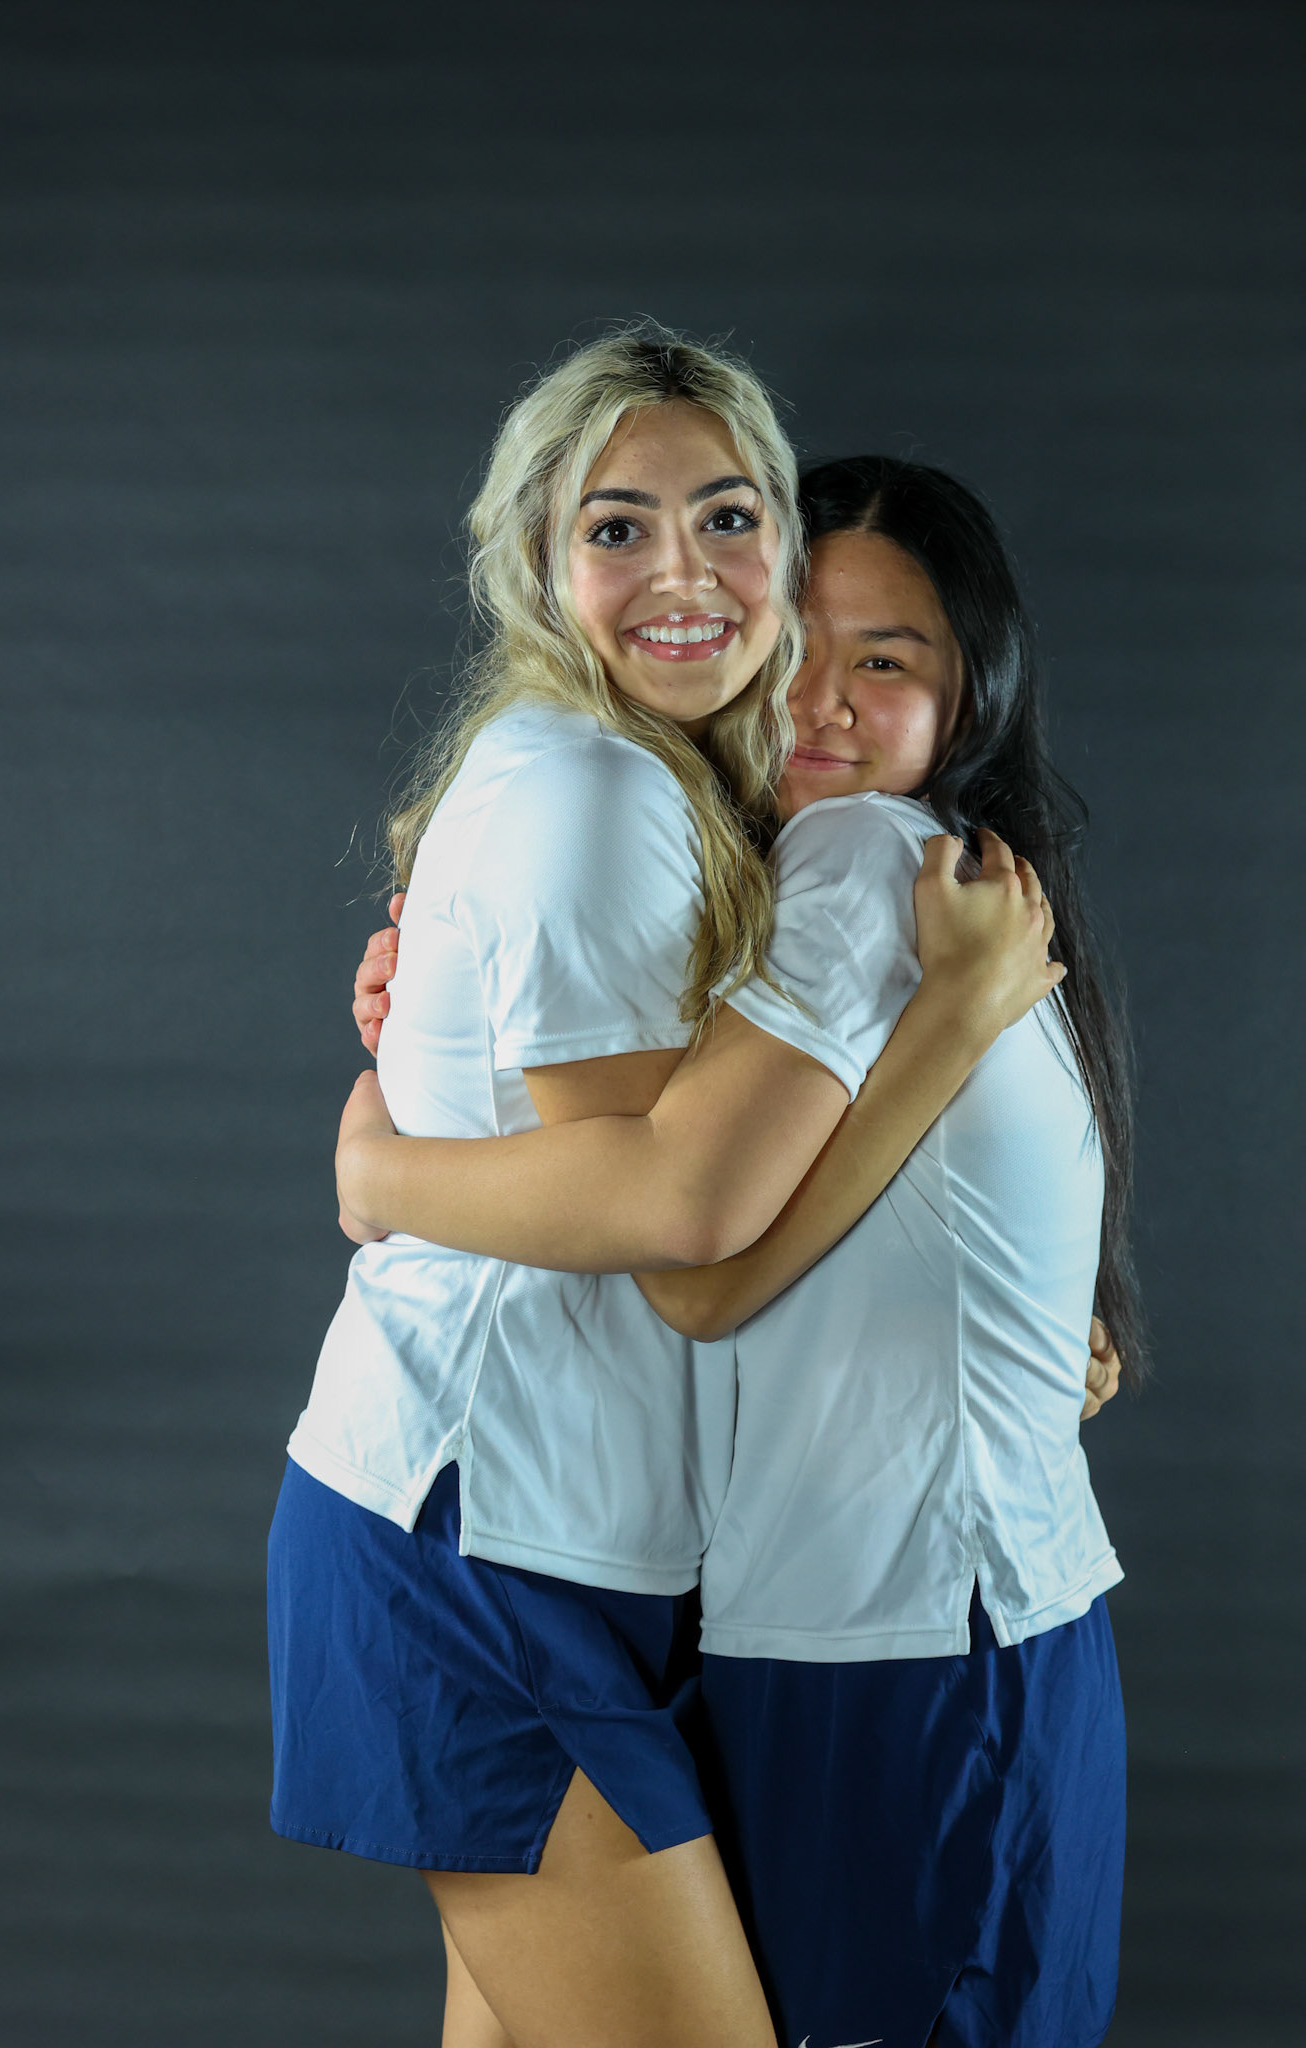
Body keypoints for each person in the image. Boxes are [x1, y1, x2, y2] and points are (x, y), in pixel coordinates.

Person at [271, 324, 1066, 2048]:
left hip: (567, 1536)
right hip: (475, 1530)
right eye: (615, 527)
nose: (684, 574)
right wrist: (379, 1165)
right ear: (536, 563)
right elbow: (686, 1222)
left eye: (724, 518)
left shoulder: (676, 804)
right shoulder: (594, 788)